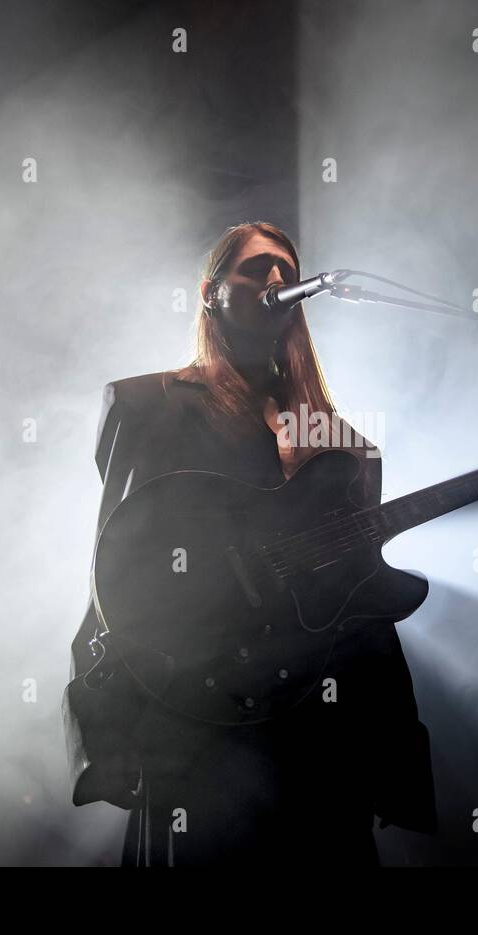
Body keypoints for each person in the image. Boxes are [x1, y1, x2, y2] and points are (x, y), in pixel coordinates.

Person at [62, 221, 438, 865]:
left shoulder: (342, 445)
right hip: (197, 717)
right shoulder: (147, 404)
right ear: (210, 291)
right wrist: (108, 730)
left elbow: (360, 603)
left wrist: (389, 749)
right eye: (254, 269)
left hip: (320, 733)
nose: (274, 282)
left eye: (288, 275)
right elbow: (117, 565)